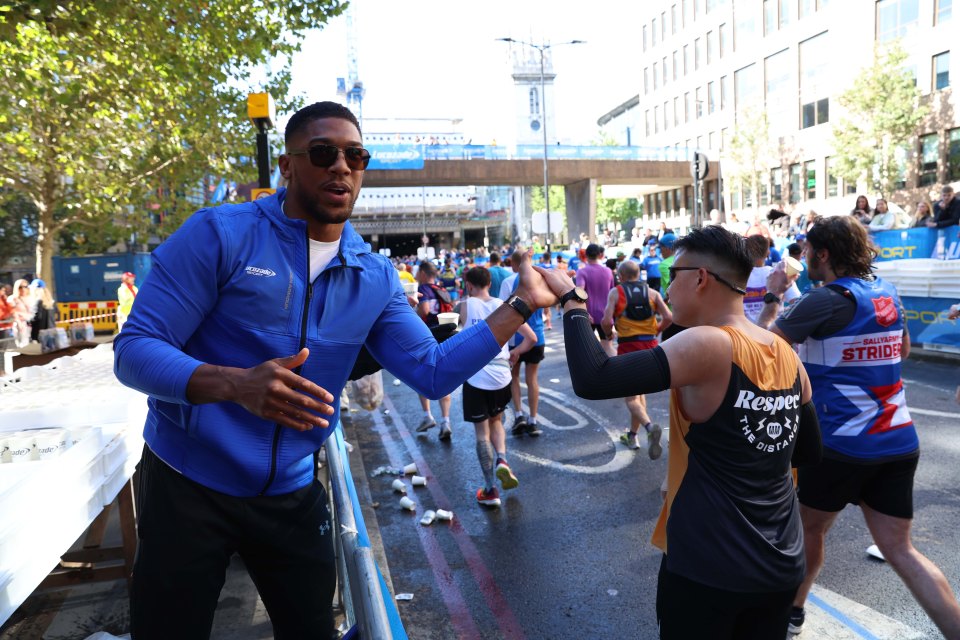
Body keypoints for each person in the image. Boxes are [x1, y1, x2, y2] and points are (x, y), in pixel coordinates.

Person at [113, 101, 549, 640]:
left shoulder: (374, 274)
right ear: (288, 166)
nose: (341, 166)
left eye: (355, 156)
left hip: (293, 493)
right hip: (188, 485)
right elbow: (134, 350)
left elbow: (432, 373)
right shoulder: (220, 234)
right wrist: (235, 384)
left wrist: (522, 305)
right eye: (323, 153)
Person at [529, 225, 821, 639]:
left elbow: (594, 378)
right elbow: (807, 452)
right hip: (780, 561)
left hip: (710, 562)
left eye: (672, 275)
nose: (664, 287)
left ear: (700, 278)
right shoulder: (786, 354)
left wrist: (572, 301)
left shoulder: (707, 343)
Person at [759, 215, 960, 638]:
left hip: (840, 445)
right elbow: (900, 350)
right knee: (901, 551)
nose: (805, 257)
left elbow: (761, 348)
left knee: (807, 530)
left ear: (824, 253)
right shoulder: (887, 293)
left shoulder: (824, 299)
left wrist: (774, 295)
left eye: (808, 251)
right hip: (898, 440)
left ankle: (791, 613)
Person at [459, 267, 536, 507]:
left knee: (481, 433)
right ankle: (502, 459)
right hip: (502, 374)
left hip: (476, 374)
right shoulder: (504, 306)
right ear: (490, 283)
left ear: (469, 285)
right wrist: (515, 353)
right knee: (497, 421)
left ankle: (490, 489)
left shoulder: (465, 304)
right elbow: (531, 338)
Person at [601, 259, 671, 457]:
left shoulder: (616, 292)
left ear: (620, 276)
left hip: (628, 348)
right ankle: (632, 436)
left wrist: (608, 335)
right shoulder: (652, 293)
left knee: (631, 397)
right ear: (639, 274)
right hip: (651, 348)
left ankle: (649, 428)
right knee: (640, 394)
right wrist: (655, 331)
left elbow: (606, 320)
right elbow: (669, 317)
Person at [503, 249, 547, 438]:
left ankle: (519, 415)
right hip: (537, 336)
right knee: (532, 379)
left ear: (514, 264)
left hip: (516, 337)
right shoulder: (539, 279)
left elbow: (502, 311)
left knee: (514, 377)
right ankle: (533, 420)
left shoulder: (508, 282)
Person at [415, 259, 454, 440]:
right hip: (445, 337)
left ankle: (427, 416)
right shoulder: (442, 289)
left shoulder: (423, 289)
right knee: (444, 377)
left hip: (428, 337)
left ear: (423, 273)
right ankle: (446, 421)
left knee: (421, 375)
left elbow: (424, 310)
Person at [743, 235, 800, 324]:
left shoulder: (737, 276)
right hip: (772, 332)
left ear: (746, 251)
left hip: (745, 334)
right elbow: (797, 304)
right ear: (768, 253)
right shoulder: (780, 273)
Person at [576, 243, 615, 356]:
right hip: (606, 316)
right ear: (600, 255)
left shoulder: (582, 272)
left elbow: (579, 292)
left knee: (585, 349)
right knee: (608, 346)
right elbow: (612, 293)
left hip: (588, 316)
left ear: (586, 256)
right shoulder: (608, 271)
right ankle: (615, 371)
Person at [9, 278, 33, 347]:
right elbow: (13, 312)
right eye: (20, 287)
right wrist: (19, 323)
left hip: (32, 324)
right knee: (23, 345)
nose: (23, 289)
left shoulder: (31, 297)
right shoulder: (12, 299)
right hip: (21, 324)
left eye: (25, 287)